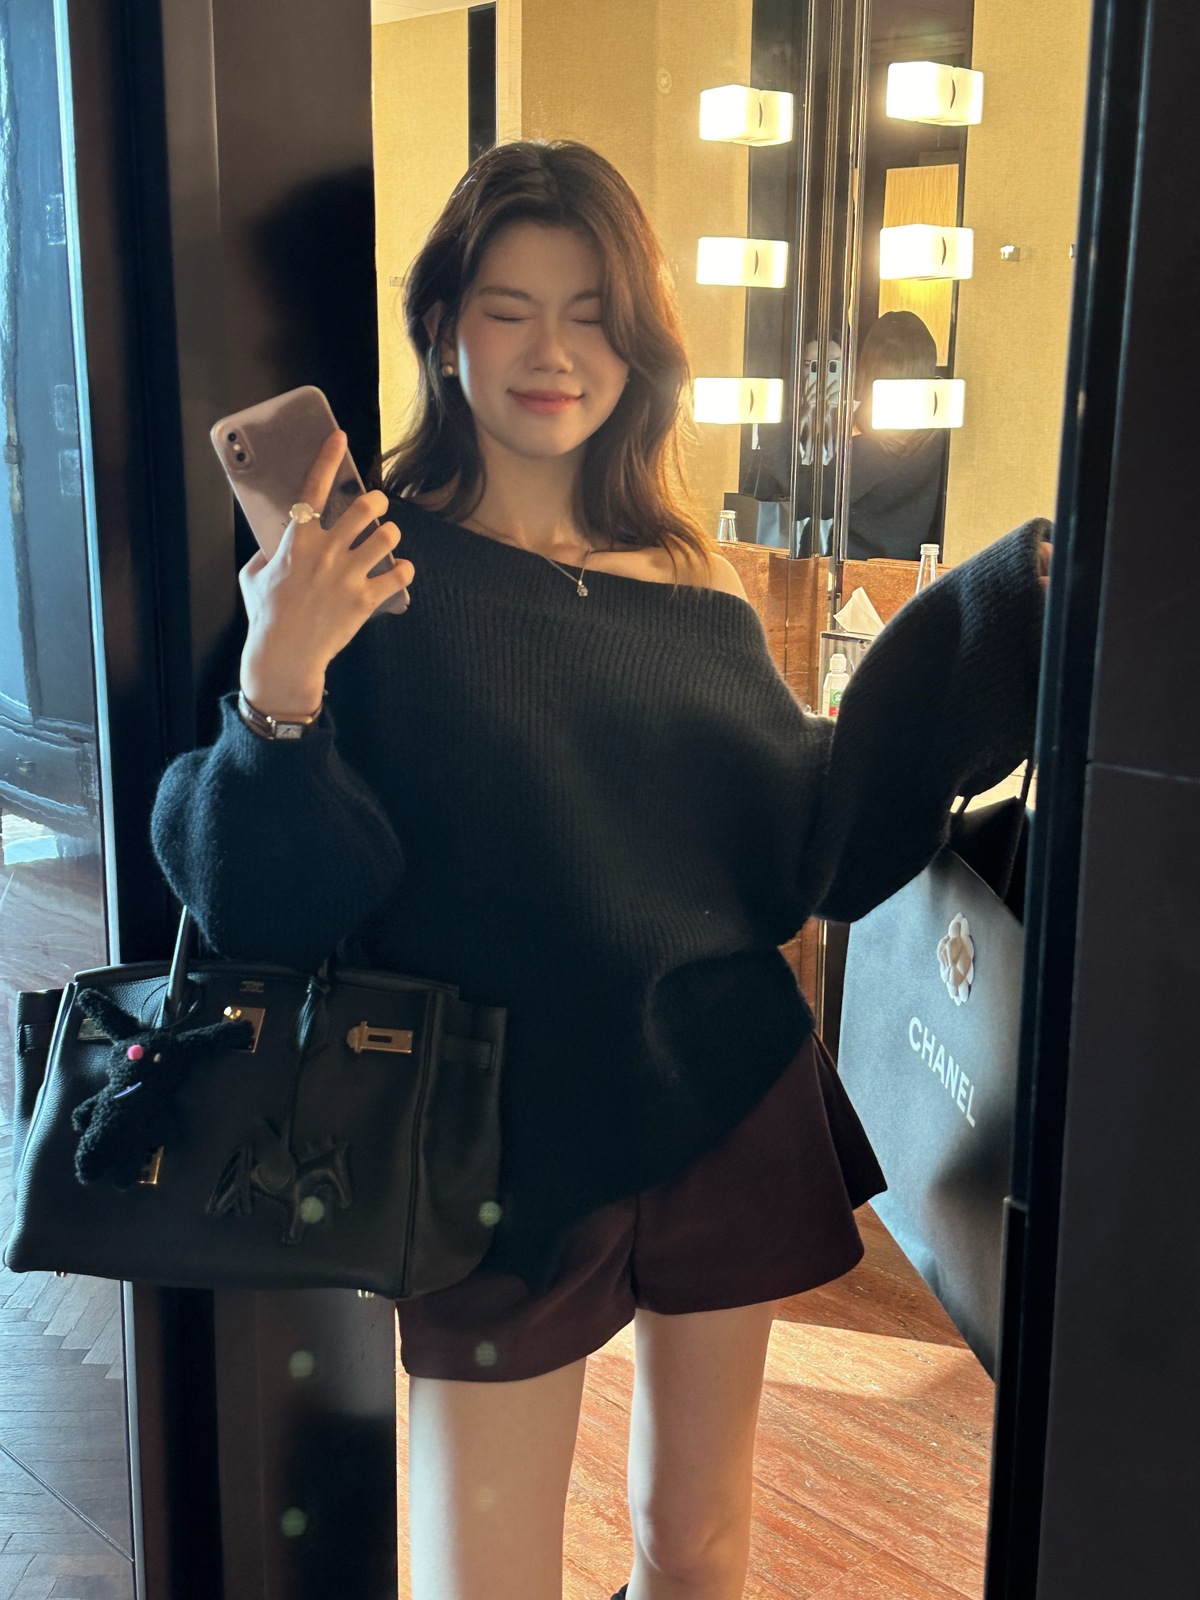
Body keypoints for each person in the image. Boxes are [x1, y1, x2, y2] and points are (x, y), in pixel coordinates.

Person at [151, 141, 1048, 1600]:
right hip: (488, 1157)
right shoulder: (366, 572)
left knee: (696, 1545)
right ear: (443, 327)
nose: (553, 353)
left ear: (638, 345)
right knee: (481, 1578)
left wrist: (996, 611)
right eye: (509, 308)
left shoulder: (689, 584)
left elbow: (814, 848)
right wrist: (279, 684)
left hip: (721, 1098)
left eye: (591, 313)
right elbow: (258, 904)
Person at [842, 309, 950, 561]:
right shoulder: (942, 432)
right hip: (918, 569)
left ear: (870, 364)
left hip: (860, 570)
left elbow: (817, 500)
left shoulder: (874, 445)